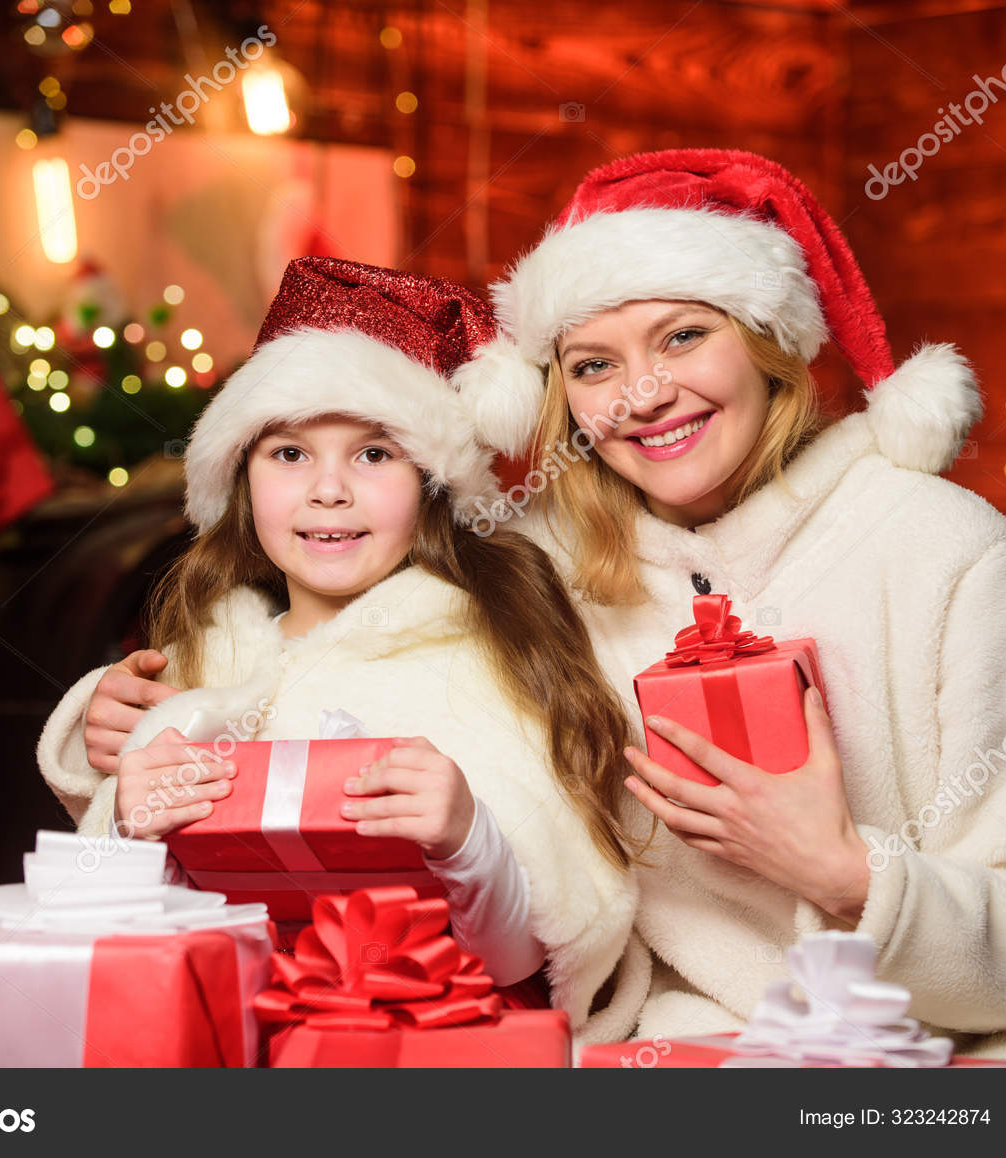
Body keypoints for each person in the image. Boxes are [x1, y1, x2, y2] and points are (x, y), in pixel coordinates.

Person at [451, 148, 1006, 1062]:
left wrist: (847, 874)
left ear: (768, 343)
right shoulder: (540, 580)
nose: (643, 396)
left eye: (684, 336)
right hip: (692, 1062)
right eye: (594, 364)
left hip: (955, 1064)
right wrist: (218, 690)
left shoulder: (947, 551)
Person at [37, 256, 645, 1041]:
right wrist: (126, 826)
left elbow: (532, 960)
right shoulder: (205, 661)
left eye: (374, 453)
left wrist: (471, 841)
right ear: (242, 477)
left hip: (417, 1055)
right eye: (289, 454)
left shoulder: (483, 653)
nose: (330, 489)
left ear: (432, 483)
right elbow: (116, 938)